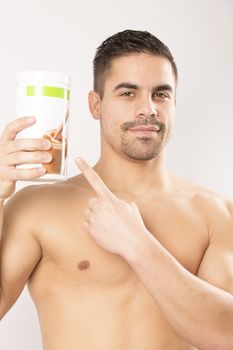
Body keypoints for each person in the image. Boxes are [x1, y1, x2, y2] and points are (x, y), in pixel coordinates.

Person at [0, 29, 232, 350]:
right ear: (96, 105)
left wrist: (138, 246)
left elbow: (226, 336)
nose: (148, 108)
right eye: (128, 93)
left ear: (174, 103)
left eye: (161, 94)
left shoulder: (216, 214)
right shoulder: (36, 207)